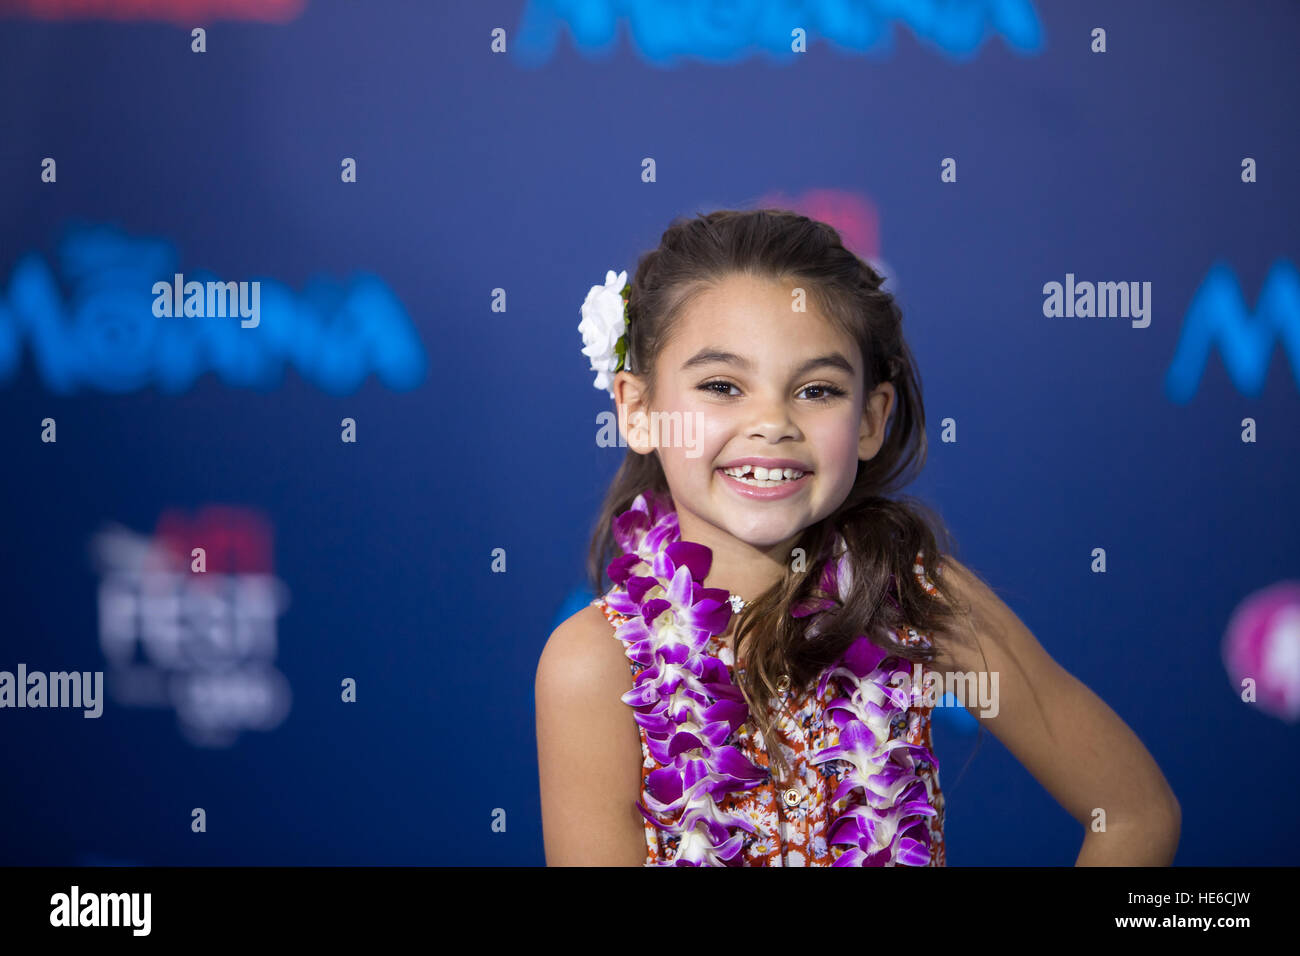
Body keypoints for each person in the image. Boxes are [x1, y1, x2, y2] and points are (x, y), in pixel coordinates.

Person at [536, 208, 1180, 866]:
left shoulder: (917, 602)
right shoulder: (597, 664)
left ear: (871, 420)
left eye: (816, 390)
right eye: (722, 386)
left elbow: (1134, 813)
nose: (771, 423)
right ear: (639, 411)